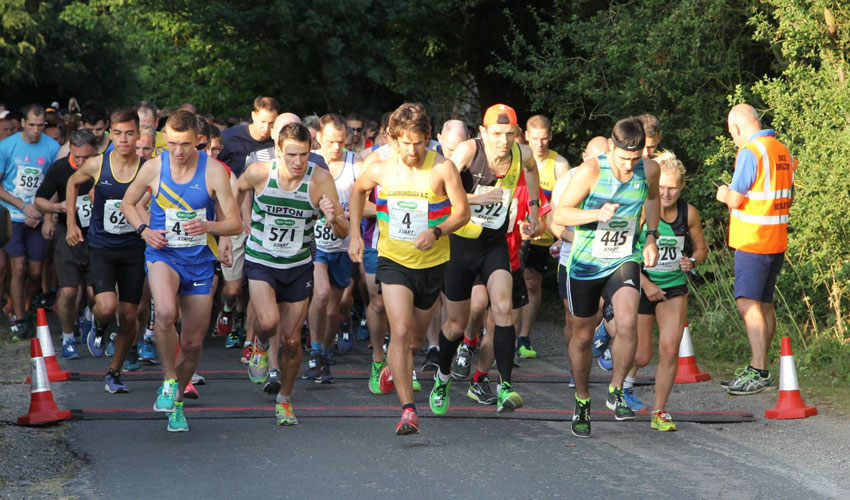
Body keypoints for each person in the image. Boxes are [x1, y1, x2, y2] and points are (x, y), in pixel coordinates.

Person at [349, 102, 470, 435]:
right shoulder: (380, 168)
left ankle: (395, 367)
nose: (413, 150)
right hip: (393, 260)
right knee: (399, 332)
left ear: (427, 137)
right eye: (406, 143)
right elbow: (357, 192)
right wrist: (356, 235)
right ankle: (408, 411)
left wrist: (436, 232)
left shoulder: (443, 169)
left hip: (432, 263)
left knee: (415, 340)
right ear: (393, 138)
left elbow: (462, 213)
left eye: (418, 142)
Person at [121, 110, 242, 432]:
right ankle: (169, 380)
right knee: (164, 312)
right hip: (163, 255)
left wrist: (208, 225)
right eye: (172, 143)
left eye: (185, 144)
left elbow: (236, 223)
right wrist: (144, 230)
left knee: (191, 344)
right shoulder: (154, 167)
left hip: (200, 261)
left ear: (199, 140)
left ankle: (176, 403)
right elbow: (128, 203)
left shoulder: (214, 172)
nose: (177, 151)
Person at [233, 122, 347, 426]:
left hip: (297, 266)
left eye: (304, 155)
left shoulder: (320, 179)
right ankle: (257, 344)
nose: (298, 162)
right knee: (269, 322)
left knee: (293, 341)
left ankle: (285, 398)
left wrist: (334, 217)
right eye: (292, 155)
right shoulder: (260, 172)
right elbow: (237, 188)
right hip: (261, 260)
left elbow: (344, 228)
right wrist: (237, 219)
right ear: (279, 151)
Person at [553, 117, 660, 437]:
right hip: (585, 261)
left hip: (623, 256)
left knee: (627, 322)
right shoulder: (591, 171)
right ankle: (582, 399)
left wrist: (651, 236)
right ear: (611, 147)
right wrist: (595, 214)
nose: (630, 167)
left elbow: (652, 199)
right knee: (582, 336)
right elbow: (560, 214)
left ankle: (616, 391)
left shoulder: (649, 170)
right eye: (624, 159)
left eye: (636, 158)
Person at [432, 103, 541, 416]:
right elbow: (436, 190)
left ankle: (505, 385)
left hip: (493, 244)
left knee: (504, 308)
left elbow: (532, 171)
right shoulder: (468, 152)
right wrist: (477, 198)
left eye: (509, 133)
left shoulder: (522, 155)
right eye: (496, 133)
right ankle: (442, 378)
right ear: (483, 132)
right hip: (459, 245)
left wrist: (533, 210)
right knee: (455, 323)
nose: (503, 140)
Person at [716, 103, 796, 396]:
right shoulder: (782, 150)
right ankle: (757, 365)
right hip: (775, 238)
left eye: (731, 133)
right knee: (764, 304)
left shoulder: (750, 152)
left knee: (747, 304)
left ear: (736, 128)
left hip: (753, 240)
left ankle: (759, 370)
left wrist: (724, 193)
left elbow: (736, 199)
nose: (733, 139)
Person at [66, 109, 147, 395]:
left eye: (129, 133)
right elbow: (72, 182)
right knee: (107, 307)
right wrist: (71, 222)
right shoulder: (98, 164)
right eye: (118, 133)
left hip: (133, 251)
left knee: (129, 316)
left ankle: (114, 371)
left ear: (138, 135)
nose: (124, 139)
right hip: (102, 248)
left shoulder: (147, 168)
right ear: (110, 135)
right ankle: (98, 323)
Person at [631, 151, 707, 431]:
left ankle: (659, 411)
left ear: (682, 187)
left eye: (672, 187)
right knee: (640, 356)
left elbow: (701, 248)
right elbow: (625, 253)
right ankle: (623, 389)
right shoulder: (642, 210)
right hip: (641, 284)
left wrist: (693, 261)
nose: (666, 192)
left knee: (670, 349)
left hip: (673, 286)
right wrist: (645, 283)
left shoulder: (689, 213)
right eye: (661, 186)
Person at [304, 114, 361, 383]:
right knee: (321, 292)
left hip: (343, 243)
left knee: (334, 307)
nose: (336, 147)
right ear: (318, 138)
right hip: (315, 242)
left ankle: (326, 352)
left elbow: (369, 201)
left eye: (341, 142)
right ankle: (314, 350)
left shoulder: (356, 164)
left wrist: (347, 215)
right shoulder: (308, 161)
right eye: (330, 142)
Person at [34, 129, 98, 359]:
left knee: (96, 294)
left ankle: (92, 321)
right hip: (67, 233)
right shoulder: (60, 168)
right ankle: (69, 336)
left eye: (86, 157)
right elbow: (39, 199)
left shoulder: (104, 167)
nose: (80, 162)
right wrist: (57, 208)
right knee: (69, 291)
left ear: (96, 152)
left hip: (97, 235)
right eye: (76, 156)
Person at [0, 104, 60, 340]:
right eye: (32, 125)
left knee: (36, 272)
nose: (36, 130)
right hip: (12, 216)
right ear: (23, 122)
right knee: (19, 268)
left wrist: (45, 213)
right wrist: (23, 205)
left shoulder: (52, 147)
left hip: (37, 216)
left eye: (41, 125)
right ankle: (21, 317)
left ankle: (23, 305)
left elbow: (56, 185)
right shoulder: (7, 146)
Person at [518, 114, 570, 359]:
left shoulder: (559, 165)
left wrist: (560, 233)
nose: (539, 144)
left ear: (550, 137)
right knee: (507, 282)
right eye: (535, 138)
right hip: (515, 232)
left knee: (531, 282)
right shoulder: (515, 156)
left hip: (543, 234)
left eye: (544, 139)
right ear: (527, 136)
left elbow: (564, 204)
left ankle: (524, 336)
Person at [219, 97, 281, 177]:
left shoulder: (277, 142)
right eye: (262, 121)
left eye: (271, 123)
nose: (266, 128)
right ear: (253, 116)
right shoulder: (228, 137)